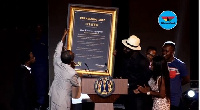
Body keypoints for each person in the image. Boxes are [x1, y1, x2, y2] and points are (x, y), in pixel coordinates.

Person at [48, 29, 81, 110]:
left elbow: (58, 48)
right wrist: (79, 76)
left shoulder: (57, 61)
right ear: (71, 61)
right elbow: (76, 83)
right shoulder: (71, 72)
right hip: (62, 101)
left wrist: (64, 35)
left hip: (54, 96)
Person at [117, 35, 152, 110]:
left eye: (127, 48)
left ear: (134, 50)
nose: (124, 49)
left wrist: (137, 88)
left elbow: (145, 79)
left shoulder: (143, 62)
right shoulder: (126, 57)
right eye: (125, 47)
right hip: (127, 93)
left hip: (137, 96)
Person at [162, 41, 190, 110]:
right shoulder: (160, 63)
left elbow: (187, 79)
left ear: (173, 52)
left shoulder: (180, 65)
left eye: (167, 51)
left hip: (174, 99)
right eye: (163, 50)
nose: (164, 53)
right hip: (162, 98)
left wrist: (176, 85)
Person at [31, 24, 49, 110]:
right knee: (35, 85)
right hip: (34, 66)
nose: (38, 30)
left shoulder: (45, 39)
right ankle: (37, 103)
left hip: (43, 66)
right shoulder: (33, 39)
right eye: (37, 28)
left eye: (40, 28)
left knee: (42, 85)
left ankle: (41, 104)